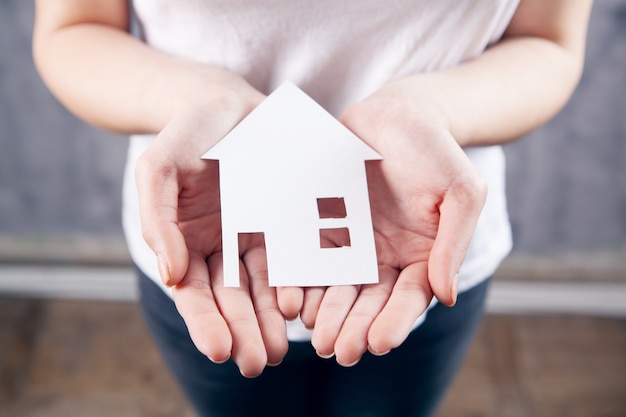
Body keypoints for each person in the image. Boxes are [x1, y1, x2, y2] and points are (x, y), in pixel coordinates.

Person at [32, 1, 592, 416]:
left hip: (421, 245)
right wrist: (200, 100)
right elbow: (75, 28)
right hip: (201, 244)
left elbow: (547, 40)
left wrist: (427, 109)